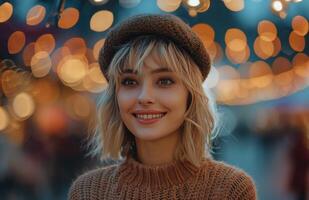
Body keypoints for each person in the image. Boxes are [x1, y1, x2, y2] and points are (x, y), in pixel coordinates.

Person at [68, 14, 257, 200]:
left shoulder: (230, 190)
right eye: (129, 82)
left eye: (164, 81)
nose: (144, 97)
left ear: (190, 95)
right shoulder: (87, 192)